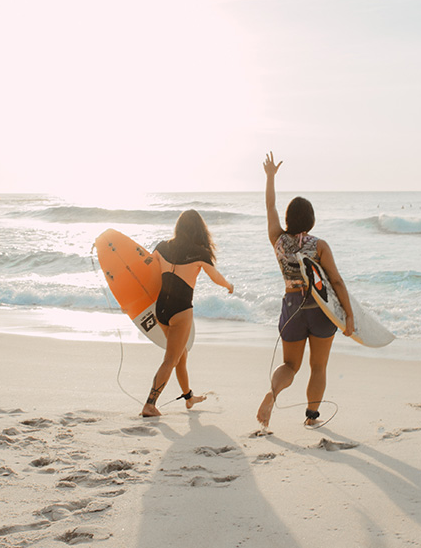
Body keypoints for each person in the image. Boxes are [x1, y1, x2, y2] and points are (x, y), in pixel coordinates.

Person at [257, 152, 354, 429]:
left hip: (292, 308)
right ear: (311, 220)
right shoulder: (319, 245)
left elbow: (270, 206)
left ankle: (273, 394)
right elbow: (336, 281)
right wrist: (349, 315)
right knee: (318, 366)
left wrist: (270, 177)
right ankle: (311, 417)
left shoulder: (277, 240)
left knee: (290, 365)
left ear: (288, 219)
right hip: (320, 309)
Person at [141, 209, 233, 418]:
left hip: (161, 309)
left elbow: (146, 270)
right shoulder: (200, 253)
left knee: (181, 355)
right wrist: (229, 286)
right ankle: (150, 404)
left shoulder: (162, 247)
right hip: (180, 311)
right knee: (170, 359)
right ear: (199, 229)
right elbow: (216, 277)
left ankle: (189, 397)